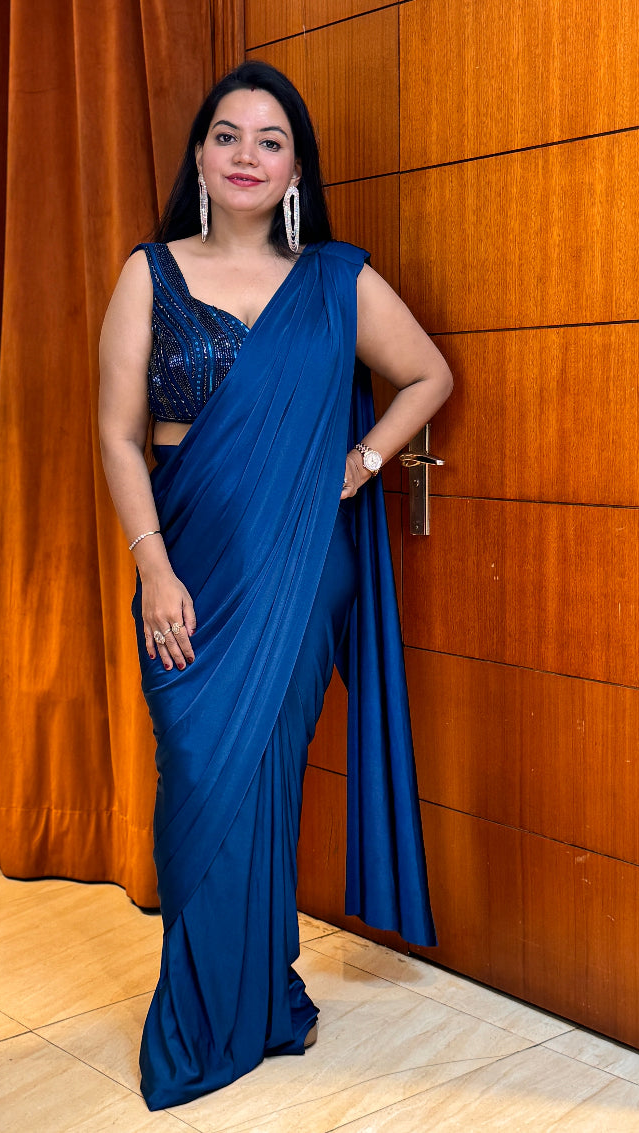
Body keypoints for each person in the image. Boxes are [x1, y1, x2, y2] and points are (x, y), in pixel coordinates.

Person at [98, 60, 453, 1111]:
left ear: (295, 166)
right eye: (227, 135)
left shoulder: (337, 278)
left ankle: (253, 1002)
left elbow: (429, 372)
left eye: (269, 139)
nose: (245, 155)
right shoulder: (148, 273)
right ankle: (208, 1009)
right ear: (200, 156)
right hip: (190, 564)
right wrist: (151, 563)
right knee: (202, 779)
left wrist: (360, 462)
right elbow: (119, 438)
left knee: (271, 778)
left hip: (305, 566)